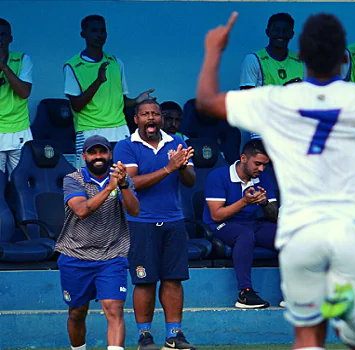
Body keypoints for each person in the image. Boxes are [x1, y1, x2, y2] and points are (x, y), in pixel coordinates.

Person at [195, 4, 355, 349]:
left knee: (307, 332)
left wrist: (213, 49)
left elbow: (207, 102)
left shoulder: (279, 99)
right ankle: (349, 312)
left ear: (300, 54)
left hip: (302, 231)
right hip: (352, 230)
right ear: (344, 58)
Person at [113, 100, 196, 350]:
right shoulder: (126, 146)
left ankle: (174, 335)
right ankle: (144, 337)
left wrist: (181, 168)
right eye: (145, 114)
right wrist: (169, 167)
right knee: (144, 281)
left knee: (173, 280)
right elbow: (132, 182)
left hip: (173, 220)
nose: (151, 118)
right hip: (140, 222)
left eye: (155, 114)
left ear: (161, 118)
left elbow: (190, 181)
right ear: (136, 119)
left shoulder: (177, 142)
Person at [55, 135, 140, 350]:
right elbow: (82, 210)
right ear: (84, 156)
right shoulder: (73, 179)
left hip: (112, 254)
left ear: (110, 155)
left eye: (102, 152)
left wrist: (123, 185)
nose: (98, 157)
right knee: (76, 312)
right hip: (75, 254)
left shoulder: (121, 178)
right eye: (93, 152)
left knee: (114, 308)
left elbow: (135, 210)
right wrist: (109, 187)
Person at [64, 14, 155, 168]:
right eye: (94, 31)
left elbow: (122, 101)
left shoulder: (115, 62)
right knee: (88, 180)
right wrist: (98, 81)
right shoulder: (72, 66)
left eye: (102, 31)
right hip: (89, 130)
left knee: (123, 178)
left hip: (119, 129)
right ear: (83, 34)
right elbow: (76, 105)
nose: (99, 35)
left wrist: (138, 101)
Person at [204, 139, 278, 309]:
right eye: (258, 164)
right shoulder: (219, 176)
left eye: (265, 165)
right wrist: (244, 201)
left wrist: (265, 203)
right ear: (243, 158)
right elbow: (216, 215)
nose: (261, 169)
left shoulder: (262, 177)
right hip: (221, 225)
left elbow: (275, 216)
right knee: (245, 235)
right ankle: (245, 294)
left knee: (287, 234)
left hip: (251, 223)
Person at [0, 18, 33, 176]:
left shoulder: (22, 59)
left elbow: (24, 92)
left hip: (19, 130)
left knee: (20, 182)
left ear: (10, 38)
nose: (0, 39)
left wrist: (4, 67)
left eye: (3, 34)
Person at [240, 12, 304, 90]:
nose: (281, 34)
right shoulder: (253, 60)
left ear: (292, 34)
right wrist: (284, 90)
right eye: (276, 30)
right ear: (267, 32)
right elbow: (247, 98)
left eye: (285, 30)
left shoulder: (301, 60)